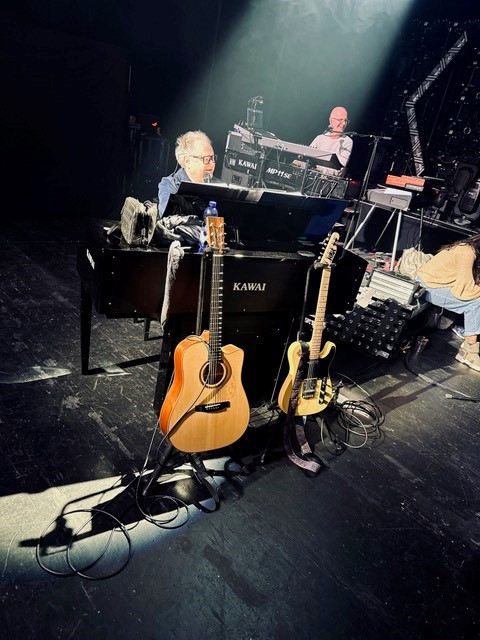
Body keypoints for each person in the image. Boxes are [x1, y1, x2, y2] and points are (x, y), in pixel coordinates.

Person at [416, 233, 480, 371]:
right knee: (475, 303)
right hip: (426, 287)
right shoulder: (467, 252)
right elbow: (463, 291)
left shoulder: (469, 250)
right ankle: (470, 351)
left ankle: (467, 337)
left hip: (437, 285)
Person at [157, 130, 218, 219]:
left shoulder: (218, 186)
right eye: (206, 159)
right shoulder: (169, 186)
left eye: (213, 158)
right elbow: (172, 222)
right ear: (187, 161)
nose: (212, 163)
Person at [309, 106, 353, 178]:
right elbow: (307, 157)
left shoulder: (347, 142)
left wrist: (321, 170)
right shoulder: (320, 138)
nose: (343, 123)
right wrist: (298, 163)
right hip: (312, 177)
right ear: (331, 120)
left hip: (330, 184)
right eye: (340, 120)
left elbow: (340, 169)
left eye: (345, 121)